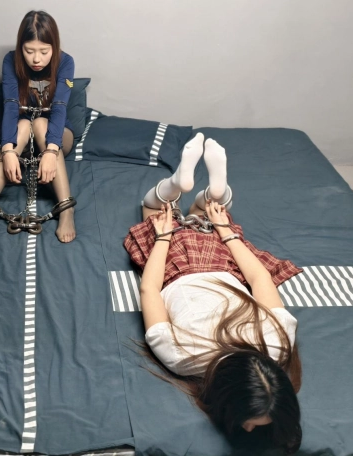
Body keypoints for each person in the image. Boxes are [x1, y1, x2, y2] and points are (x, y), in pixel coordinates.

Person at [125, 133, 304, 453]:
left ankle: (212, 192)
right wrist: (163, 238)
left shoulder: (279, 343)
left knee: (205, 214)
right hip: (176, 266)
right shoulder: (182, 357)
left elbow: (259, 279)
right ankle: (184, 188)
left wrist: (227, 233)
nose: (248, 428)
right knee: (152, 209)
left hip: (222, 262)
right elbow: (149, 289)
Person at [0, 10, 77, 243]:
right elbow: (10, 106)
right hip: (22, 138)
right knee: (24, 123)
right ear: (21, 47)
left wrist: (51, 151)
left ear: (54, 46)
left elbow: (59, 107)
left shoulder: (66, 62)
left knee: (40, 122)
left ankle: (66, 209)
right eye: (29, 51)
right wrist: (8, 151)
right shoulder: (10, 61)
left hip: (58, 136)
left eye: (44, 51)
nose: (36, 59)